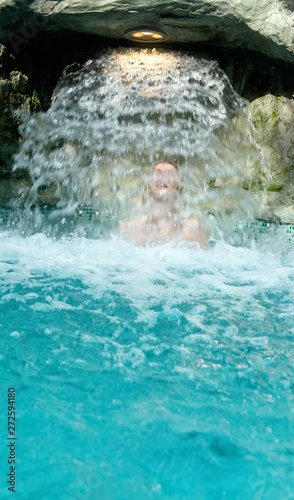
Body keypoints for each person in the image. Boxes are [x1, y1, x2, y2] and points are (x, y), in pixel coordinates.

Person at [120, 160, 209, 248]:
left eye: (169, 174)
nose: (162, 177)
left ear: (179, 187)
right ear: (148, 186)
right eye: (157, 174)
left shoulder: (192, 229)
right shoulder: (129, 228)